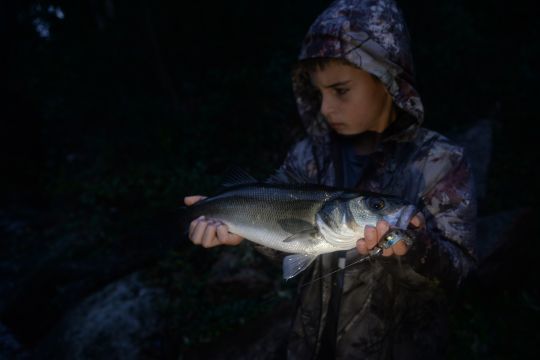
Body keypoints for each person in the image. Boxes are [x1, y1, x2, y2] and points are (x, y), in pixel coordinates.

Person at [185, 0, 477, 358]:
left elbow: (459, 274)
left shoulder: (441, 162)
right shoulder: (306, 156)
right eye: (317, 93)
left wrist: (417, 250)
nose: (325, 108)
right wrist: (238, 232)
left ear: (388, 80)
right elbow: (289, 244)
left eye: (340, 90)